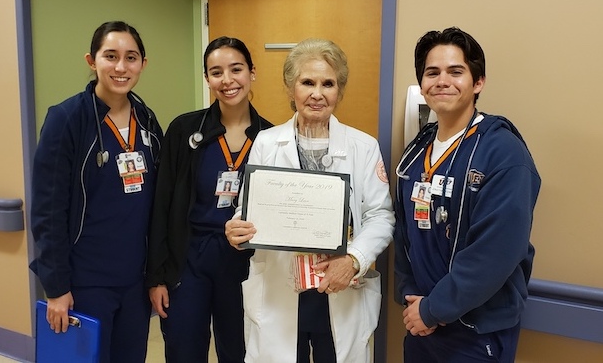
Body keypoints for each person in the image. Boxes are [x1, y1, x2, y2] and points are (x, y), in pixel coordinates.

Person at [225, 38, 395, 363]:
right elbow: (247, 210)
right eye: (307, 82)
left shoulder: (363, 147)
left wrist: (354, 259)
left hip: (340, 286)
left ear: (339, 90)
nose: (317, 93)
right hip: (281, 290)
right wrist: (238, 230)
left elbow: (381, 217)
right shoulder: (266, 142)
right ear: (291, 89)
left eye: (328, 83)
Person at [393, 27, 541, 362]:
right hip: (420, 321)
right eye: (432, 73)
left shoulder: (502, 153)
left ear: (478, 83)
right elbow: (404, 231)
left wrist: (435, 309)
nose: (442, 81)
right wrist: (411, 296)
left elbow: (497, 252)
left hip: (475, 331)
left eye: (455, 71)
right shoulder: (417, 151)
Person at [30, 21, 163, 363]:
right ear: (92, 61)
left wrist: (156, 275)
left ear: (143, 64)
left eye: (131, 58)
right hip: (86, 282)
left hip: (135, 281)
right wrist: (57, 288)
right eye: (111, 56)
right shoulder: (67, 119)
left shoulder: (147, 120)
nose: (121, 67)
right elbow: (48, 210)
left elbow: (158, 202)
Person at [146, 36, 272, 363]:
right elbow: (162, 206)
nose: (227, 80)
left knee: (241, 351)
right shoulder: (184, 131)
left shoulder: (272, 140)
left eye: (236, 69)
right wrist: (156, 276)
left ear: (252, 72)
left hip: (244, 261)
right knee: (183, 348)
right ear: (207, 78)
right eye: (216, 72)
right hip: (189, 260)